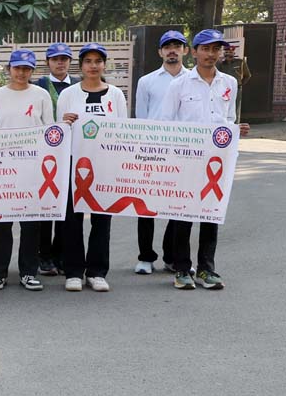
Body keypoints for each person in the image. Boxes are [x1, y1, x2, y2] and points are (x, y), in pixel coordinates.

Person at [158, 29, 250, 291]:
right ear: (195, 52)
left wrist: (236, 129)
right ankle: (181, 269)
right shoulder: (179, 85)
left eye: (216, 49)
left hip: (218, 159)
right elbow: (166, 123)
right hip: (186, 160)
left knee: (211, 214)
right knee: (183, 216)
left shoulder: (229, 83)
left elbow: (228, 119)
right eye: (206, 49)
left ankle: (206, 269)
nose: (211, 54)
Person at [0, 50, 55, 292]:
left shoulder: (41, 95)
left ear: (33, 71)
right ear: (9, 69)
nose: (21, 73)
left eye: (27, 69)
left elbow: (50, 132)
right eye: (17, 68)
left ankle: (28, 272)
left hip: (33, 170)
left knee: (31, 224)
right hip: (3, 169)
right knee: (0, 223)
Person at [58, 44, 127, 293]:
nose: (93, 65)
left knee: (101, 220)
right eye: (88, 61)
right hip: (74, 164)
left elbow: (122, 131)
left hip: (105, 165)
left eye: (98, 60)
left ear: (104, 65)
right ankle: (74, 271)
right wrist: (65, 122)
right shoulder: (68, 94)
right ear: (81, 65)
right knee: (72, 220)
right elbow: (58, 131)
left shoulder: (116, 95)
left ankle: (97, 272)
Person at [132, 30, 188, 274]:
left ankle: (172, 256)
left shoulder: (193, 80)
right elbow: (141, 117)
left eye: (177, 45)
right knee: (147, 206)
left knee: (178, 207)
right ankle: (146, 256)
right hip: (152, 150)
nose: (172, 50)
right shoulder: (147, 81)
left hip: (184, 151)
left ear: (185, 50)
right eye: (167, 46)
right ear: (160, 52)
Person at [33, 43, 77, 277]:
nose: (60, 63)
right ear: (48, 62)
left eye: (64, 59)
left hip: (72, 153)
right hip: (46, 154)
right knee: (45, 206)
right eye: (55, 59)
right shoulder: (39, 86)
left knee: (66, 209)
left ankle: (61, 255)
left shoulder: (79, 85)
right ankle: (44, 256)